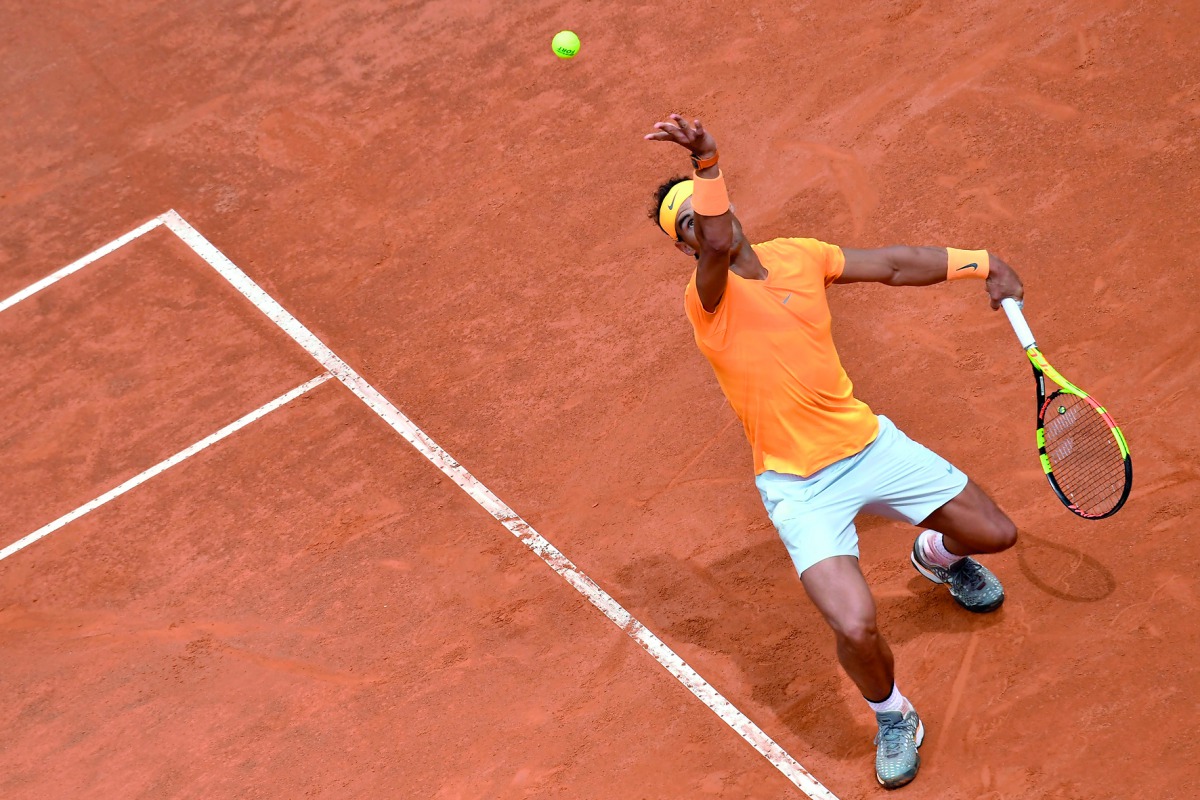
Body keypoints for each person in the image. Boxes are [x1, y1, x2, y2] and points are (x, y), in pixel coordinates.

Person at [644, 115, 1021, 790]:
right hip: (800, 489)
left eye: (700, 219)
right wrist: (706, 161)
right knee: (854, 625)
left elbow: (896, 264)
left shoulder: (800, 256)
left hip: (870, 446)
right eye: (689, 232)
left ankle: (936, 557)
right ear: (688, 249)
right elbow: (722, 238)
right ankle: (894, 714)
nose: (703, 233)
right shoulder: (709, 300)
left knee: (995, 534)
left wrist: (985, 263)